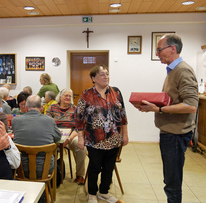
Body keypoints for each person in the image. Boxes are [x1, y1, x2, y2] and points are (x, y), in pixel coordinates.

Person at [137, 34, 198, 203]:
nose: (157, 54)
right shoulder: (173, 70)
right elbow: (176, 99)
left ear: (173, 49)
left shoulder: (182, 70)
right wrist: (154, 105)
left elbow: (191, 105)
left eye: (159, 49)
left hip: (176, 134)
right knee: (170, 179)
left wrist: (159, 108)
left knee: (172, 182)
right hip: (170, 132)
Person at [76, 65, 128, 203]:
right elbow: (79, 118)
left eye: (107, 74)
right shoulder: (86, 94)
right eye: (102, 74)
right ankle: (92, 194)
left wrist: (125, 134)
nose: (106, 76)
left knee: (109, 167)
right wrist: (80, 138)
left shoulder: (116, 92)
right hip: (95, 140)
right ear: (94, 78)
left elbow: (123, 115)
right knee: (94, 166)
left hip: (114, 138)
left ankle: (104, 192)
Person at [12, 95, 61, 177]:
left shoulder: (15, 120)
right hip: (45, 168)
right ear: (42, 108)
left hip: (21, 169)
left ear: (26, 107)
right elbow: (58, 137)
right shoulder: (49, 121)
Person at [46, 88, 87, 185]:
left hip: (71, 136)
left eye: (70, 96)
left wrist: (69, 139)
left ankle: (80, 175)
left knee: (81, 147)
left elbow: (78, 127)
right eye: (66, 95)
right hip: (54, 136)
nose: (68, 98)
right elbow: (47, 124)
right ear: (60, 97)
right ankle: (49, 173)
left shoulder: (75, 109)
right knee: (45, 146)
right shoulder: (52, 108)